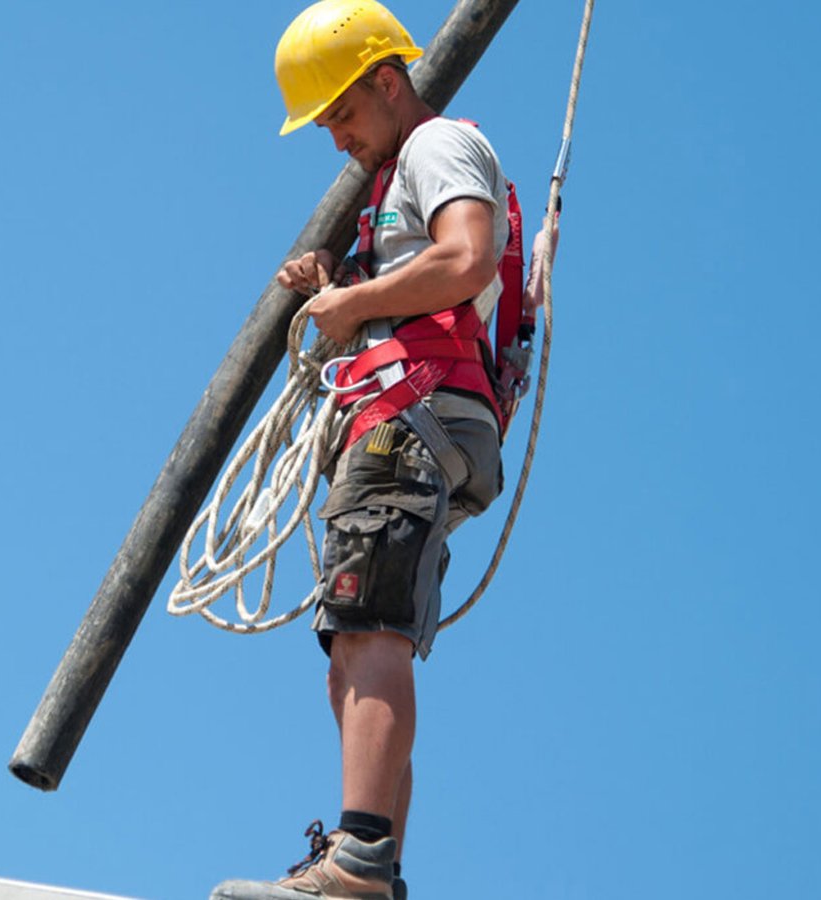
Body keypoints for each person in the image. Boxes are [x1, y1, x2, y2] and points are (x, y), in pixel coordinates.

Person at [212, 3, 516, 899]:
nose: (336, 139)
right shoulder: (395, 177)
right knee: (353, 642)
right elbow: (414, 286)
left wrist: (349, 305)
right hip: (409, 417)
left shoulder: (435, 149)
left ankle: (360, 865)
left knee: (370, 631)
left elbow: (467, 256)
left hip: (413, 416)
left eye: (341, 114)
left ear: (388, 82)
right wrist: (344, 287)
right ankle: (366, 864)